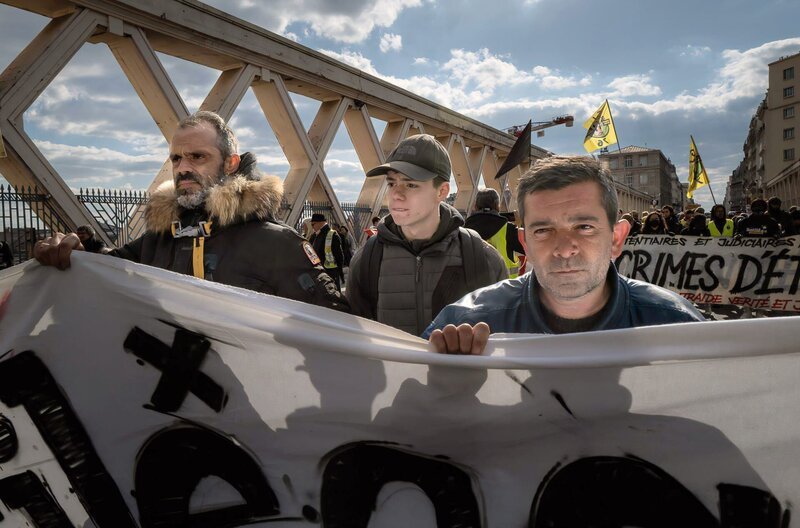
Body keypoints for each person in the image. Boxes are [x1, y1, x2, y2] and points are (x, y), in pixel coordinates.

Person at [34, 111, 348, 311]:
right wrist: (75, 250)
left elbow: (331, 328)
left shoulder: (276, 244)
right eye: (175, 159)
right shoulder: (158, 239)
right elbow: (102, 271)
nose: (182, 169)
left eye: (197, 157)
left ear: (230, 164)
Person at [424, 156, 704, 355]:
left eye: (584, 227)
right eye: (544, 230)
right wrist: (445, 386)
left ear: (616, 239)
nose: (564, 248)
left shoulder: (678, 325)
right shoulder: (462, 326)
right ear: (525, 243)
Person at [347, 134, 507, 335]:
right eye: (391, 183)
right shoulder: (367, 260)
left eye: (411, 184)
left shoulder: (482, 258)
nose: (396, 194)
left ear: (442, 192)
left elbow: (503, 340)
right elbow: (356, 340)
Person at [464, 188, 526, 278]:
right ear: (497, 206)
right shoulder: (508, 229)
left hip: (475, 289)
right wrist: (521, 224)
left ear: (475, 206)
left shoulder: (464, 230)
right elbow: (529, 249)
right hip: (505, 287)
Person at [309, 213, 345, 290]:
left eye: (313, 224)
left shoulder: (332, 235)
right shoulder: (314, 236)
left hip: (331, 274)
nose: (312, 227)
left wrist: (340, 273)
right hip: (319, 274)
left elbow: (339, 256)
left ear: (321, 223)